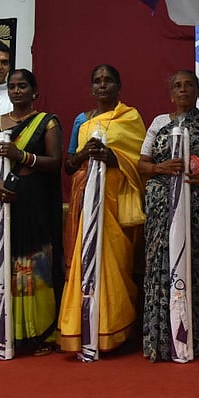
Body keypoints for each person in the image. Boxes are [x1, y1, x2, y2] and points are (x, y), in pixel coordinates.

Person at [57, 64, 146, 355]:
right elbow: (69, 165)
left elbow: (141, 161)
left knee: (116, 265)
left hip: (116, 203)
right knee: (85, 264)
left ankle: (116, 332)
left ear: (119, 87)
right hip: (85, 202)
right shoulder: (81, 122)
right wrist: (85, 153)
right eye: (97, 81)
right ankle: (82, 328)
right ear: (91, 88)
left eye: (108, 80)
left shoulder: (130, 118)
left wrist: (113, 158)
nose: (102, 85)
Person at [0, 69, 63, 357]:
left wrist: (21, 156)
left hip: (34, 204)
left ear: (34, 91)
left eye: (22, 86)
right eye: (12, 86)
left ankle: (38, 335)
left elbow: (54, 162)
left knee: (32, 266)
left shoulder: (47, 122)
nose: (16, 91)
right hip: (0, 201)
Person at [139, 70, 199, 362]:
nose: (183, 89)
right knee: (161, 270)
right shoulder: (159, 123)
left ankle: (196, 339)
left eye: (189, 85)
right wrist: (162, 169)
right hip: (162, 209)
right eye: (177, 85)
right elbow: (142, 164)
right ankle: (161, 340)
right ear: (170, 94)